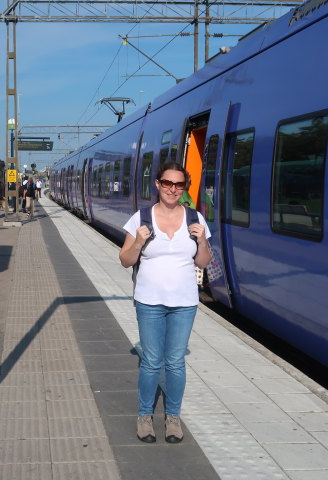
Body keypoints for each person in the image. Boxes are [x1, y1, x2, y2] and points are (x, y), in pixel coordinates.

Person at [119, 161, 211, 444]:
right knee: (150, 362)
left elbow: (203, 262)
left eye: (179, 184)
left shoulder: (195, 218)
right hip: (149, 301)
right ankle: (145, 416)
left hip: (184, 302)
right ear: (157, 184)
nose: (173, 189)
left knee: (174, 363)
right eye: (167, 183)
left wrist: (202, 242)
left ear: (185, 187)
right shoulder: (141, 218)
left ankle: (173, 417)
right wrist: (137, 242)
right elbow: (125, 261)